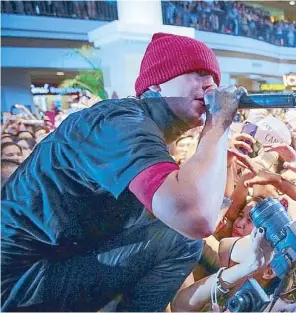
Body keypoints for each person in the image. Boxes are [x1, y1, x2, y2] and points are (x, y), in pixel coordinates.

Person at [1, 32, 245, 311]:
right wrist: (218, 125)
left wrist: (243, 260)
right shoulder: (120, 122)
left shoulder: (137, 128)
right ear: (156, 83)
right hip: (20, 282)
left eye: (214, 78)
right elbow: (194, 219)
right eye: (199, 73)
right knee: (182, 240)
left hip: (42, 271)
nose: (212, 85)